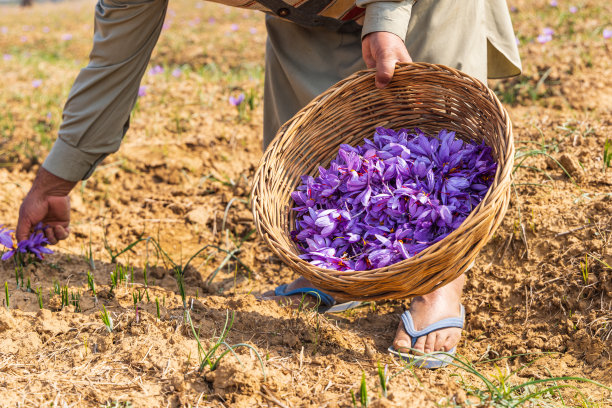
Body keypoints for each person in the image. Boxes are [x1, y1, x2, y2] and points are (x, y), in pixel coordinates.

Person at [16, 0, 520, 366]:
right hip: (304, 12)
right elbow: (113, 64)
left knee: (430, 136)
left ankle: (441, 281)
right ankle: (339, 269)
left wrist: (386, 16)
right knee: (323, 163)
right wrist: (53, 183)